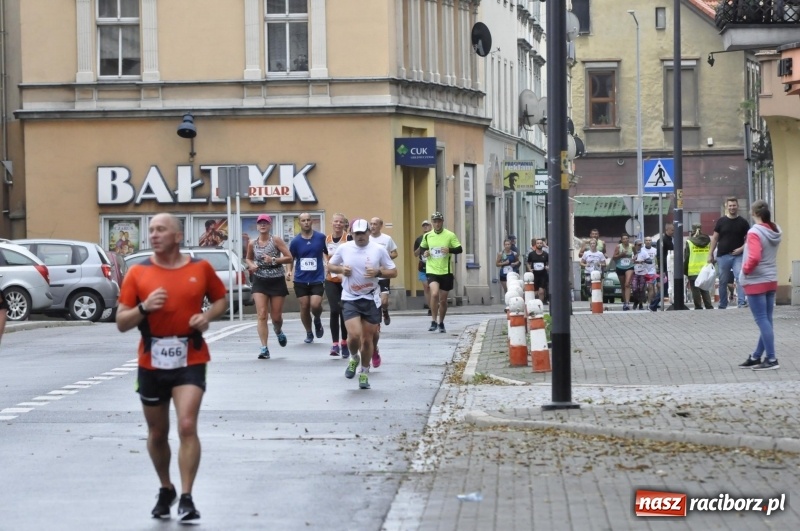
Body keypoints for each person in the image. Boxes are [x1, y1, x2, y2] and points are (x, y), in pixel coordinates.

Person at [116, 213, 228, 524]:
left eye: (161, 230)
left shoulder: (200, 268)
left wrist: (207, 317)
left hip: (189, 356)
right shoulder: (138, 273)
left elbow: (221, 300)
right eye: (151, 230)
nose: (154, 235)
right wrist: (143, 307)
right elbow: (121, 322)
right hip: (151, 360)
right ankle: (166, 488)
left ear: (177, 236)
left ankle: (188, 497)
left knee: (187, 425)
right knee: (157, 432)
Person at [327, 218, 397, 390]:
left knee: (367, 341)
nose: (360, 237)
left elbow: (394, 271)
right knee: (354, 335)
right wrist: (341, 270)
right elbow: (330, 266)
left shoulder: (378, 249)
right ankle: (353, 357)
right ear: (351, 233)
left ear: (368, 233)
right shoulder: (344, 248)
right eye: (356, 234)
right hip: (350, 297)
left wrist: (379, 271)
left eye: (363, 233)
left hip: (370, 297)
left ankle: (364, 373)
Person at [738, 200, 782, 370]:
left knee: (762, 320)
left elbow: (754, 257)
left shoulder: (755, 232)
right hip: (771, 278)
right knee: (767, 319)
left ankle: (771, 359)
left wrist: (746, 271)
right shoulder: (775, 230)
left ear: (753, 213)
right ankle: (757, 356)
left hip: (756, 280)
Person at [246, 214, 292, 359]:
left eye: (265, 223)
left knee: (276, 317)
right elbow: (248, 258)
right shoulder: (252, 243)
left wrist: (273, 259)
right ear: (257, 226)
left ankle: (278, 331)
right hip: (260, 280)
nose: (263, 225)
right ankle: (264, 348)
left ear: (270, 225)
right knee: (262, 314)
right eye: (260, 223)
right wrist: (252, 265)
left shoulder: (275, 240)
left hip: (276, 280)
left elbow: (289, 257)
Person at [418, 211, 462, 334]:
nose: (437, 224)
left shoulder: (450, 235)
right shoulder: (428, 236)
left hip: (446, 271)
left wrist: (449, 249)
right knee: (434, 293)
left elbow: (459, 249)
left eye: (439, 221)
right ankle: (433, 320)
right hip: (432, 270)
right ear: (432, 223)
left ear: (442, 222)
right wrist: (425, 253)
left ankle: (441, 322)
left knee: (443, 300)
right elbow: (422, 248)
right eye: (435, 221)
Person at [288, 213, 328, 344]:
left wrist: (328, 264)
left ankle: (317, 318)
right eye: (303, 220)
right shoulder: (295, 241)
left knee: (315, 305)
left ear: (312, 222)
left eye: (308, 220)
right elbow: (291, 258)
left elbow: (327, 253)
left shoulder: (321, 238)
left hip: (317, 277)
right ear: (299, 223)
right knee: (304, 306)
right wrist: (289, 271)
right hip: (301, 279)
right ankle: (309, 332)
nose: (306, 222)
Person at [708, 196, 751, 309]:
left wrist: (741, 249)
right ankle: (723, 304)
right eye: (730, 205)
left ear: (737, 206)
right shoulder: (721, 221)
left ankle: (741, 303)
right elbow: (715, 238)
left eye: (734, 205)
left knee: (740, 277)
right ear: (727, 207)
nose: (732, 207)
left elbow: (749, 239)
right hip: (723, 256)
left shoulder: (743, 222)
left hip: (738, 256)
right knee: (723, 280)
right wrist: (710, 253)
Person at [324, 213, 352, 358]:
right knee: (334, 309)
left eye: (341, 222)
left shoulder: (348, 238)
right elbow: (326, 257)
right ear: (332, 223)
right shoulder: (327, 239)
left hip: (346, 280)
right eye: (336, 221)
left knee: (343, 311)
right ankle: (335, 344)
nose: (338, 224)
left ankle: (344, 342)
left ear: (344, 224)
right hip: (331, 280)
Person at [369, 217, 398, 326]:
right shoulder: (367, 239)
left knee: (384, 301)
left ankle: (385, 311)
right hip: (372, 276)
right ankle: (377, 323)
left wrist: (385, 257)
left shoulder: (387, 238)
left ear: (380, 226)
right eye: (371, 224)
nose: (372, 226)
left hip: (384, 274)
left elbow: (395, 253)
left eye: (375, 224)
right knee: (375, 301)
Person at [684, 223, 714, 310]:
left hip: (693, 269)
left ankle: (698, 307)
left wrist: (685, 270)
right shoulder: (708, 240)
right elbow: (711, 254)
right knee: (705, 288)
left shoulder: (689, 241)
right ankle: (709, 306)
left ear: (692, 230)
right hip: (705, 269)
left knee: (695, 290)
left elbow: (686, 257)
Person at [413, 220, 433, 315]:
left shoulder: (435, 238)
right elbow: (415, 254)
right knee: (426, 287)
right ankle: (430, 307)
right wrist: (421, 247)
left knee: (433, 287)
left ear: (431, 227)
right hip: (423, 265)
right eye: (423, 226)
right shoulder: (419, 239)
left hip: (434, 266)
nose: (425, 227)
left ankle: (434, 304)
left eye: (427, 225)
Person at [613, 233, 635, 310]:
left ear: (628, 239)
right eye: (624, 239)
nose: (625, 240)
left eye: (627, 238)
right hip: (620, 267)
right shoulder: (618, 247)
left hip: (629, 266)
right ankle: (625, 302)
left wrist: (634, 259)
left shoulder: (632, 246)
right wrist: (621, 255)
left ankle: (627, 303)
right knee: (623, 286)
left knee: (627, 284)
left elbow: (636, 254)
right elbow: (614, 257)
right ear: (621, 240)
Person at [526, 238, 549, 303]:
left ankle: (540, 305)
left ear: (542, 244)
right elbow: (528, 263)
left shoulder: (545, 254)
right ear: (535, 244)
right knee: (536, 292)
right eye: (538, 243)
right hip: (534, 275)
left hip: (543, 274)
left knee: (541, 291)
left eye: (540, 243)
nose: (539, 244)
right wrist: (530, 269)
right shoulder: (531, 254)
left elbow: (549, 263)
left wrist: (547, 267)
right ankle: (535, 304)